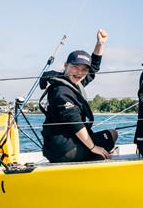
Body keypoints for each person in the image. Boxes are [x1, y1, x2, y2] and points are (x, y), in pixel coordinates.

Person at [40, 29, 118, 163]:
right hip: (65, 151)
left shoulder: (73, 82)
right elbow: (75, 123)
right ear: (66, 65)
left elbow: (94, 67)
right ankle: (95, 155)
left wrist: (100, 44)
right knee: (111, 135)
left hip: (60, 146)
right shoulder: (61, 91)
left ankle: (95, 154)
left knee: (110, 134)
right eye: (75, 67)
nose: (79, 73)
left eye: (84, 69)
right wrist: (94, 148)